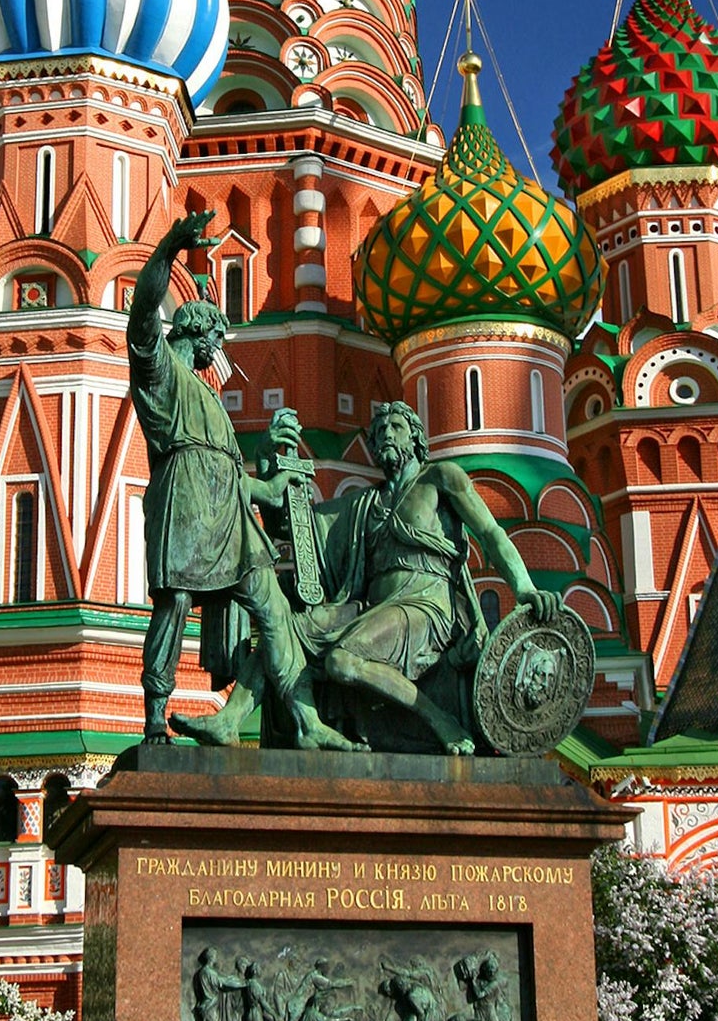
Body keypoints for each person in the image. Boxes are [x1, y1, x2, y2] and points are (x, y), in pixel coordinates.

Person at [128, 208, 353, 748]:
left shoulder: (208, 396)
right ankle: (156, 715)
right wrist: (168, 251)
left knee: (272, 606)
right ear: (198, 333)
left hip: (230, 517)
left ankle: (305, 719)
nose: (219, 350)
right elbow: (141, 314)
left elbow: (230, 473)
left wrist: (269, 489)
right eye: (217, 339)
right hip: (184, 502)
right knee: (175, 602)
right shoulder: (160, 371)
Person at [308, 401, 560, 754]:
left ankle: (439, 719)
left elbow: (490, 532)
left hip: (425, 606)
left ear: (416, 436)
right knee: (293, 628)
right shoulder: (368, 502)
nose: (386, 435)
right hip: (372, 607)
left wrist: (524, 587)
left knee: (341, 661)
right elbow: (305, 525)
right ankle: (272, 726)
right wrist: (276, 461)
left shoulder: (440, 478)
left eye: (396, 426)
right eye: (379, 431)